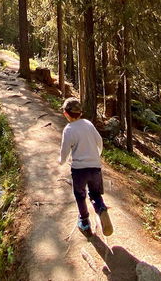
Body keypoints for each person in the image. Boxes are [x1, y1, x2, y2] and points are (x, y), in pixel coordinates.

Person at [59, 97, 113, 237]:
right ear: (80, 113)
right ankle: (101, 209)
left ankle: (84, 222)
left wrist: (61, 161)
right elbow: (99, 141)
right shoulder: (88, 124)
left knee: (80, 195)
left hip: (79, 170)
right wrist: (97, 155)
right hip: (95, 167)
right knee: (95, 193)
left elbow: (65, 151)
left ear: (66, 113)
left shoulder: (68, 130)